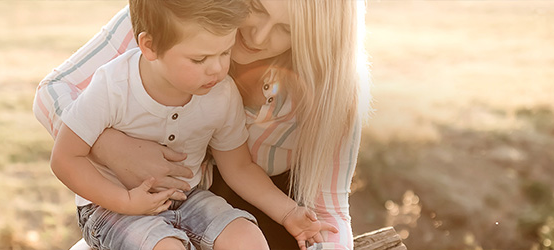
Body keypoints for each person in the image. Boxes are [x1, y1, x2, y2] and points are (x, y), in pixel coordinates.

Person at [36, 1, 369, 249]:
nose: (258, 35)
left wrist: (289, 213)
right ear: (149, 47)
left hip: (191, 199)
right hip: (116, 204)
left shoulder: (220, 92)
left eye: (287, 29)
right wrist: (112, 150)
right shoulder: (171, 18)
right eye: (256, 8)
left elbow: (240, 167)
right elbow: (55, 100)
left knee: (246, 237)